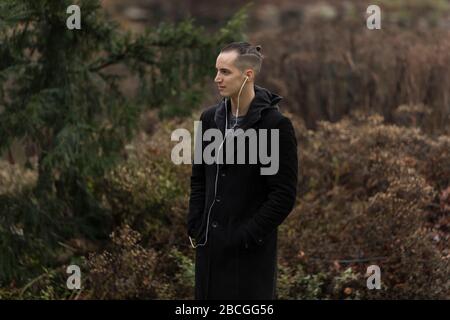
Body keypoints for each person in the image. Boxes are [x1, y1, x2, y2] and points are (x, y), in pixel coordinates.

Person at [187, 42, 298, 299]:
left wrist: (243, 236)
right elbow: (199, 178)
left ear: (248, 75)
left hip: (249, 258)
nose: (217, 79)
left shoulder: (276, 126)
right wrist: (196, 224)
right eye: (217, 71)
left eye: (225, 72)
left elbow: (283, 196)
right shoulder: (208, 119)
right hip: (209, 252)